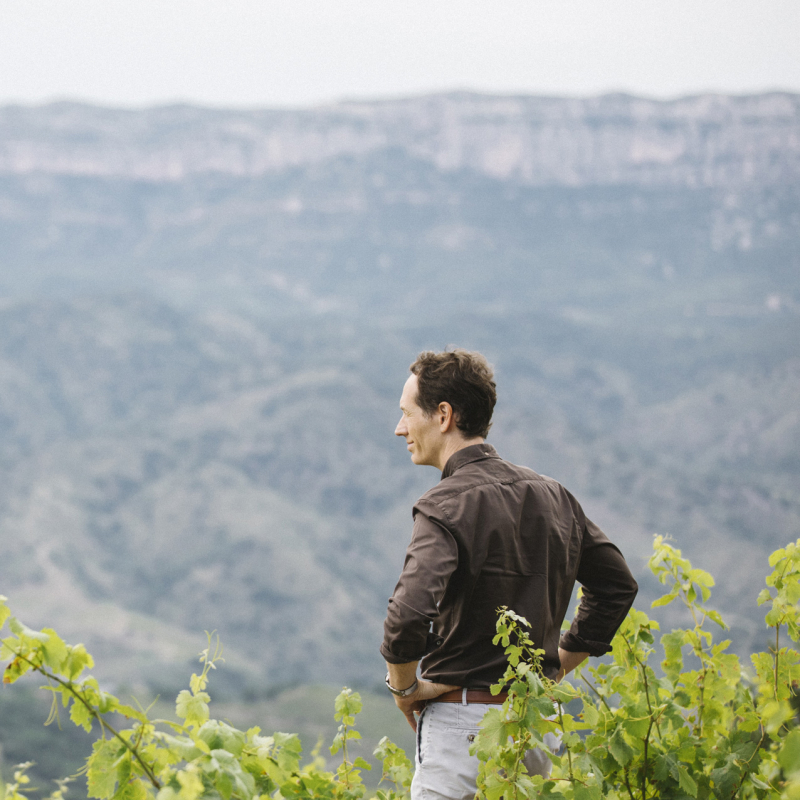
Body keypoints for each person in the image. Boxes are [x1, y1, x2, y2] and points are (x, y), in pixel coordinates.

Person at [380, 349, 638, 800]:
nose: (400, 428)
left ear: (443, 415)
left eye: (406, 415)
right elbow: (616, 585)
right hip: (536, 734)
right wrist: (553, 669)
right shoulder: (553, 495)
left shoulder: (443, 506)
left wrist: (404, 688)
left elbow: (406, 617)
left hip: (462, 736)